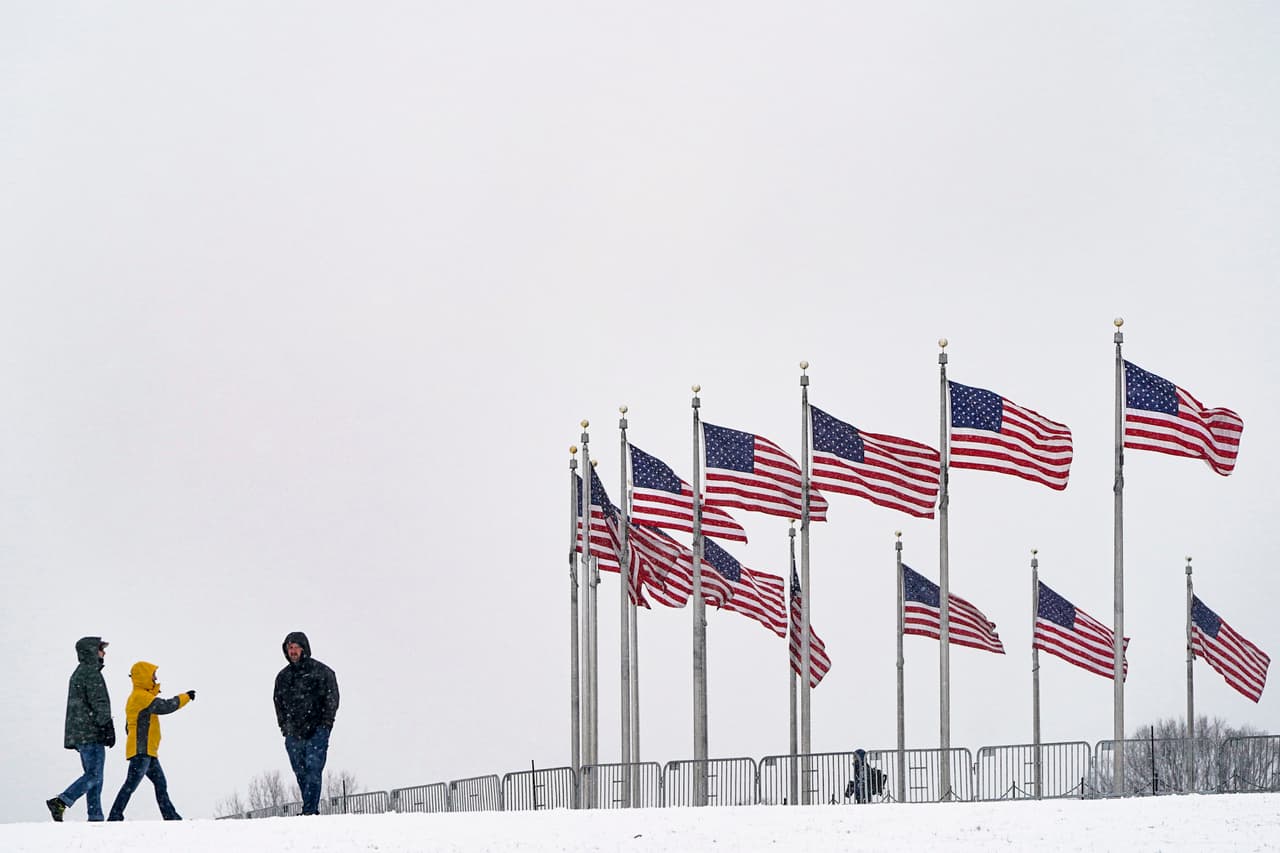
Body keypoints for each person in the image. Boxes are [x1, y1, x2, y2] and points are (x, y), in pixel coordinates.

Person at [106, 661, 195, 820]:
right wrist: (186, 697)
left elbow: (128, 727)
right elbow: (165, 706)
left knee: (160, 784)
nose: (155, 678)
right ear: (144, 676)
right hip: (142, 750)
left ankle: (171, 817)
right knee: (131, 785)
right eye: (153, 674)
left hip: (146, 750)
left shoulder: (139, 696)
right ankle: (114, 816)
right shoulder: (140, 696)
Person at [47, 636, 116, 822]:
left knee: (94, 777)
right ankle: (62, 800)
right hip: (92, 733)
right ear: (93, 651)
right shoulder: (91, 673)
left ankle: (95, 815)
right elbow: (99, 703)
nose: (104, 653)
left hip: (82, 734)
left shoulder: (79, 673)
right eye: (101, 649)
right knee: (94, 775)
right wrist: (106, 726)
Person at [274, 631, 339, 816]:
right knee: (300, 770)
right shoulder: (283, 677)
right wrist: (285, 727)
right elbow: (278, 702)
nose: (292, 651)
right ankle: (309, 807)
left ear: (304, 649)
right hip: (293, 732)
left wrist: (326, 723)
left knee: (313, 767)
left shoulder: (321, 672)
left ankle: (310, 810)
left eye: (295, 647)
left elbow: (331, 696)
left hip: (317, 728)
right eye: (289, 648)